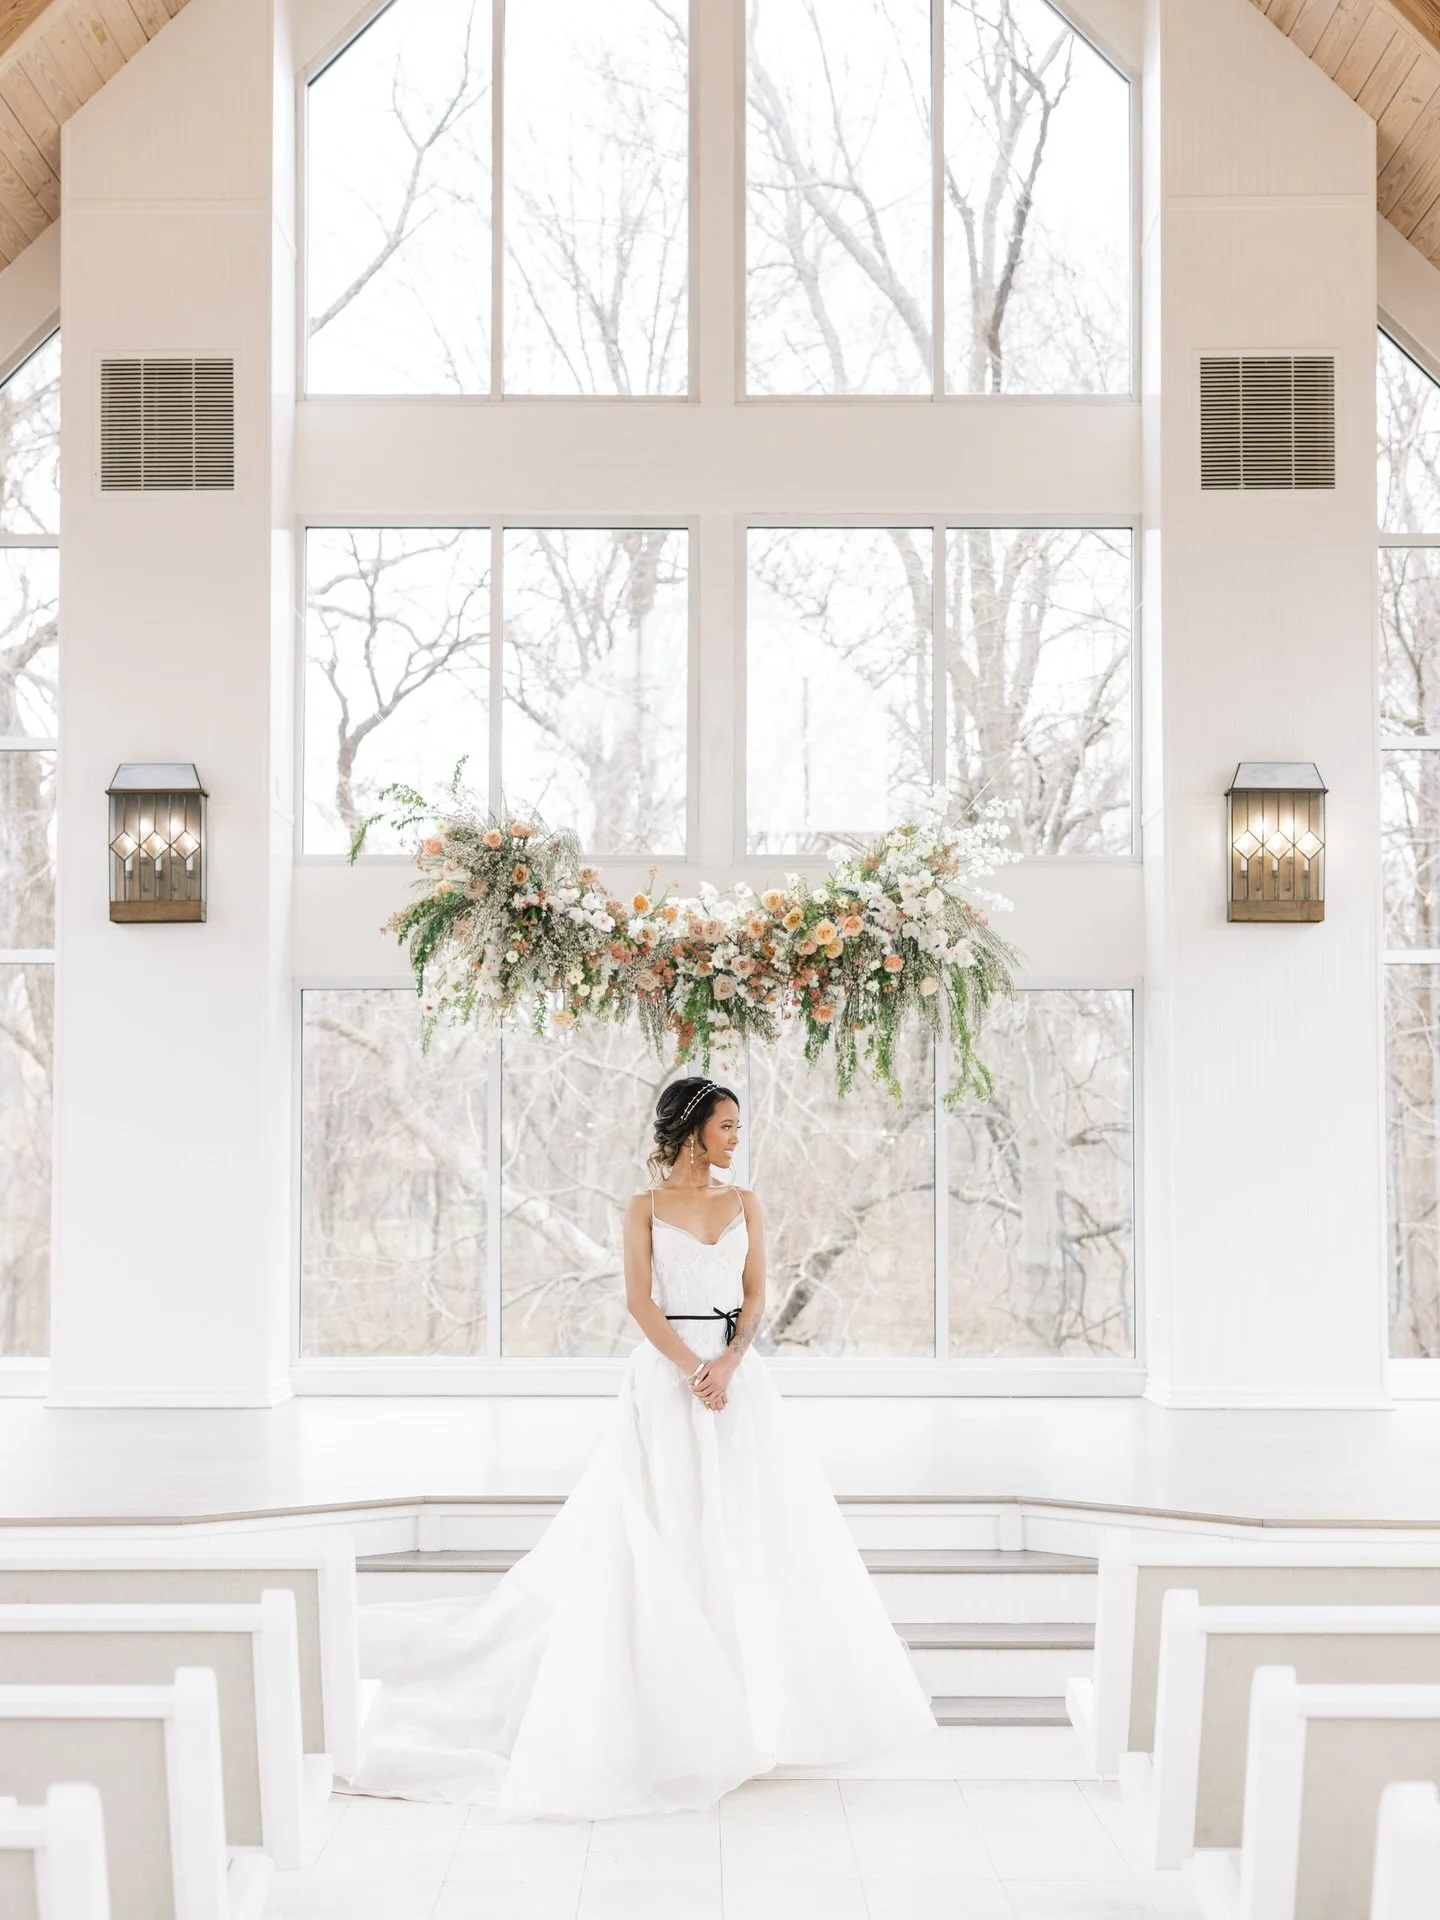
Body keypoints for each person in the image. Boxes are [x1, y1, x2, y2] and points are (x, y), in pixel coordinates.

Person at [343, 1075, 936, 1819]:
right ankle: (673, 1700)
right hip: (666, 1378)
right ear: (692, 1130)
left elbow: (756, 1294)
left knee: (748, 1526)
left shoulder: (746, 1203)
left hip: (734, 1379)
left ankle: (756, 1704)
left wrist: (727, 1363)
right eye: (726, 1126)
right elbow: (638, 1301)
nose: (735, 1138)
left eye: (737, 1126)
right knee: (666, 1523)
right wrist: (690, 1369)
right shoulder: (644, 1208)